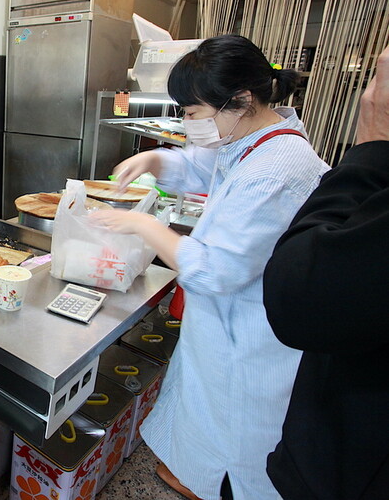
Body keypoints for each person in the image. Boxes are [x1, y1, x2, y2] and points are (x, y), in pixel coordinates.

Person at [90, 34, 329, 500]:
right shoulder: (256, 137)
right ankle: (199, 475)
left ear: (241, 100)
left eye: (193, 112)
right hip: (227, 321)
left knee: (239, 427)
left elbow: (214, 271)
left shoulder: (275, 170)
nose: (188, 123)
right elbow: (206, 167)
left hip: (249, 331)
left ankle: (227, 488)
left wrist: (143, 225)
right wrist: (155, 159)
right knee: (208, 411)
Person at [263, 44, 389, 499]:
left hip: (348, 462)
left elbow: (300, 295)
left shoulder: (277, 158)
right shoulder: (262, 143)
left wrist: (373, 152)